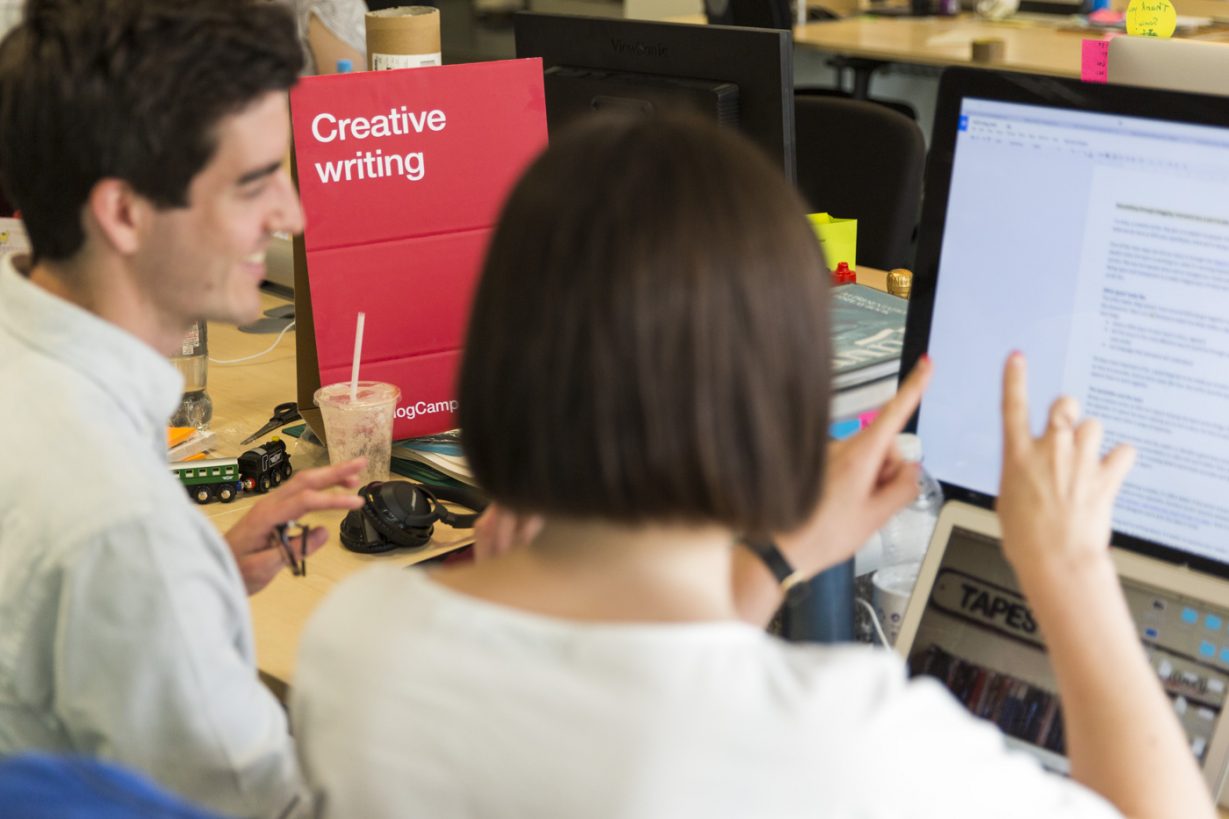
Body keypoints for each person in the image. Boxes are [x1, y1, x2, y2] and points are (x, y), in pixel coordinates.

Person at [291, 112, 1216, 819]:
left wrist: (772, 557)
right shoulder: (848, 745)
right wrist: (1067, 571)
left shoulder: (353, 642)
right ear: (776, 406)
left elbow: (654, 692)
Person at [0, 1, 365, 816]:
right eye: (254, 181)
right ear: (123, 212)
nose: (293, 214)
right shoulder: (122, 530)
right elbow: (269, 807)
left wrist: (205, 586)